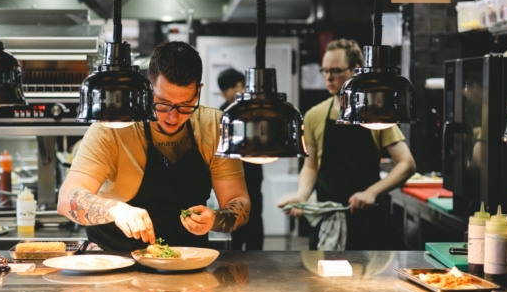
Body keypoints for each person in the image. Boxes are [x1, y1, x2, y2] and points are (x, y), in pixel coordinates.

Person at [57, 42, 250, 252]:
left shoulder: (213, 126)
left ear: (198, 93)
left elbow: (239, 202)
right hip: (114, 257)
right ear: (147, 89)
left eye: (186, 105)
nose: (173, 116)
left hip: (187, 260)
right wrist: (115, 210)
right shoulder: (114, 126)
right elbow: (66, 199)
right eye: (163, 103)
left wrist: (215, 219)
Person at [278, 39, 416, 250]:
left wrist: (371, 192)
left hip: (370, 224)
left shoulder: (373, 114)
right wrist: (301, 196)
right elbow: (311, 166)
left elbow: (407, 163)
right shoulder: (315, 115)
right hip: (329, 221)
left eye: (336, 70)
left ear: (355, 70)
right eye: (325, 71)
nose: (328, 77)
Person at [217, 67, 264, 251]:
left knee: (254, 214)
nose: (224, 94)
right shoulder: (223, 112)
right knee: (233, 215)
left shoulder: (255, 108)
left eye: (225, 90)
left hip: (252, 170)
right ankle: (235, 255)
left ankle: (256, 257)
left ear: (239, 85)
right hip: (230, 171)